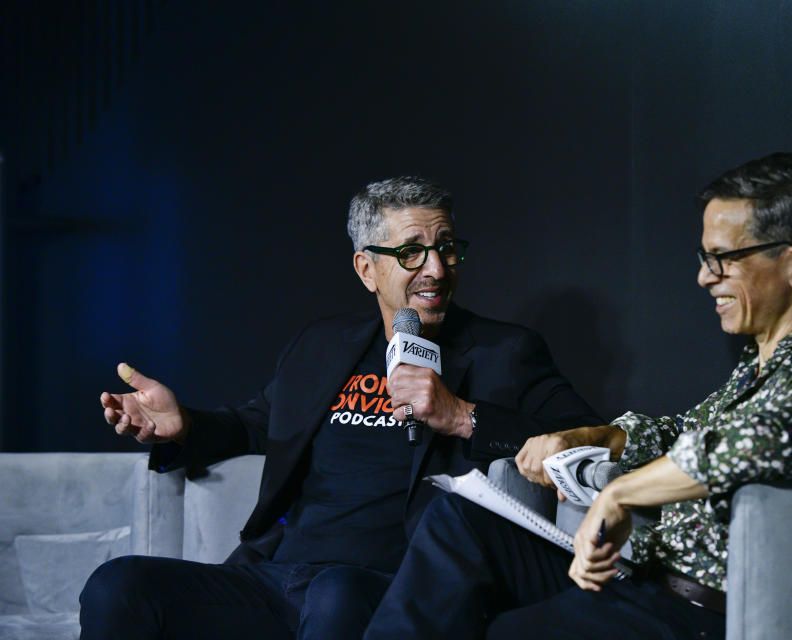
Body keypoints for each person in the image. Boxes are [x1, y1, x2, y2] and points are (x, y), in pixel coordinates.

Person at [363, 153, 792, 640]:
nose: (705, 278)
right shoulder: (762, 361)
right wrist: (589, 435)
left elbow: (742, 447)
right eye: (704, 257)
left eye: (723, 259)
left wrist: (620, 495)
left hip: (701, 613)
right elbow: (679, 432)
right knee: (461, 524)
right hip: (638, 577)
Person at [79, 176, 600, 640]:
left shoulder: (504, 352)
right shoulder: (322, 344)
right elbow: (256, 425)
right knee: (118, 585)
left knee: (337, 594)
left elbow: (592, 434)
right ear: (367, 269)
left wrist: (463, 415)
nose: (436, 269)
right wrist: (182, 425)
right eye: (412, 252)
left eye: (446, 248)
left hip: (394, 588)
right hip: (278, 575)